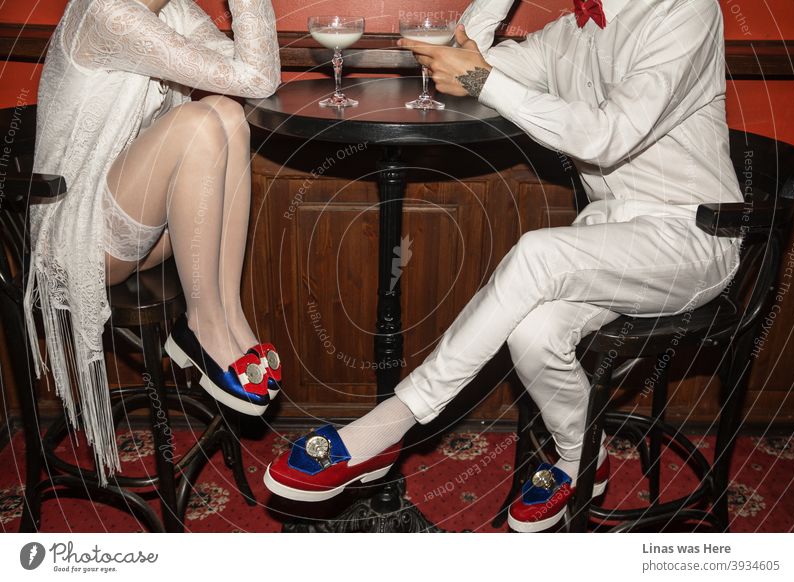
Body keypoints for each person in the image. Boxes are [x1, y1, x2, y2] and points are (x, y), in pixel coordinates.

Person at [264, 0, 744, 531]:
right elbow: (459, 63)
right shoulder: (568, 34)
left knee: (539, 252)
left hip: (694, 236)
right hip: (610, 235)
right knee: (532, 334)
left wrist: (479, 76)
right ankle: (582, 455)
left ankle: (389, 426)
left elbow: (607, 137)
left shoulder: (685, 10)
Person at [26, 0, 282, 484]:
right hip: (76, 233)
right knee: (199, 121)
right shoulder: (106, 12)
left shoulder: (177, 13)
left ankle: (225, 312)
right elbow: (260, 81)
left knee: (227, 112)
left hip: (150, 224)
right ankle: (201, 322)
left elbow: (253, 76)